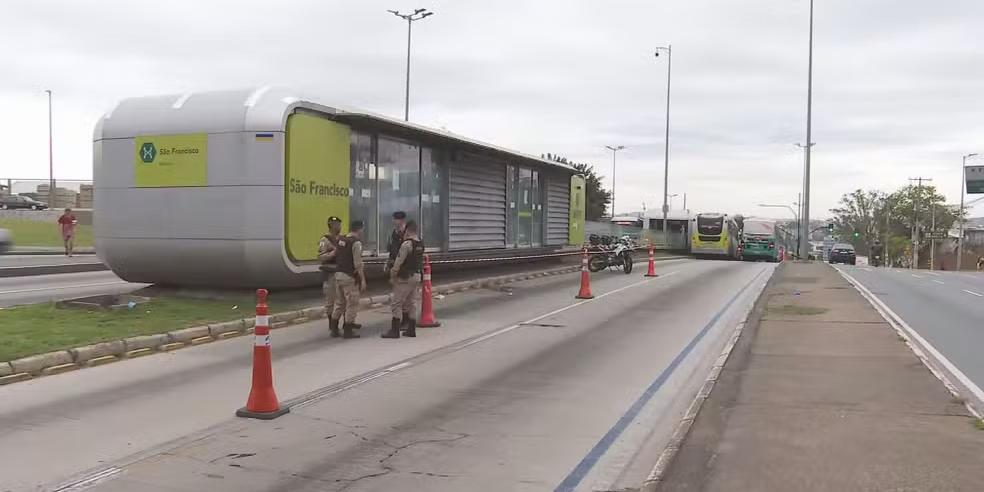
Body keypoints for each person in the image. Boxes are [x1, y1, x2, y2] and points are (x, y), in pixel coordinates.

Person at [382, 220, 424, 339]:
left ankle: (394, 331)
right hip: (416, 276)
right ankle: (411, 329)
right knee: (412, 303)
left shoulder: (407, 244)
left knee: (396, 303)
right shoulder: (420, 243)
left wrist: (392, 275)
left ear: (407, 230)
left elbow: (398, 263)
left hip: (405, 277)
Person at [331, 220, 367, 339]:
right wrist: (362, 280)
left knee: (340, 303)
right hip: (349, 277)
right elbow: (358, 264)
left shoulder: (341, 239)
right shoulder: (356, 243)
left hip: (338, 275)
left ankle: (334, 328)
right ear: (359, 229)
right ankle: (348, 329)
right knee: (352, 303)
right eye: (362, 229)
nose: (363, 231)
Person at [317, 216, 343, 337]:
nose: (338, 226)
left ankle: (340, 322)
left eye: (339, 224)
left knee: (341, 300)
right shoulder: (325, 240)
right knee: (330, 301)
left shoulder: (343, 239)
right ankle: (332, 326)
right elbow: (321, 257)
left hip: (341, 273)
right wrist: (333, 253)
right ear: (330, 225)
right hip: (330, 274)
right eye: (335, 224)